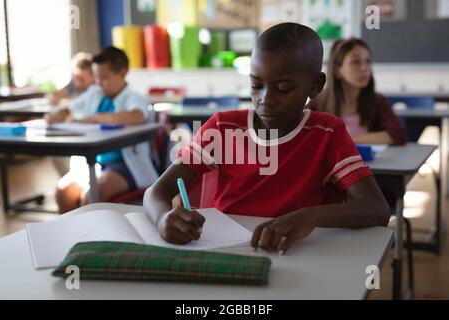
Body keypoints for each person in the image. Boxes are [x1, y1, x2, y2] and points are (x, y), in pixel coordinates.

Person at [143, 23, 390, 255]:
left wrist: (310, 216)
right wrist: (163, 218)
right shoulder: (223, 127)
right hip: (228, 252)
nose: (266, 99)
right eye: (255, 85)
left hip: (299, 255)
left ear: (315, 86)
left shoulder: (327, 133)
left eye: (283, 89)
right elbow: (157, 192)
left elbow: (376, 208)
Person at [45, 46, 159, 213]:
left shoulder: (135, 98)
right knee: (63, 192)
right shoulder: (95, 93)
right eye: (97, 78)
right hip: (95, 162)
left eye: (104, 78)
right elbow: (70, 108)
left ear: (122, 73)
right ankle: (74, 237)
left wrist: (97, 117)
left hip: (125, 164)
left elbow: (137, 116)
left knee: (91, 196)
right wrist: (58, 115)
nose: (99, 83)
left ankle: (92, 237)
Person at [308, 38, 407, 145]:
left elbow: (398, 135)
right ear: (337, 71)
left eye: (368, 61)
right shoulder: (317, 103)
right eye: (356, 62)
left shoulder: (377, 101)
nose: (365, 68)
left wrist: (345, 139)